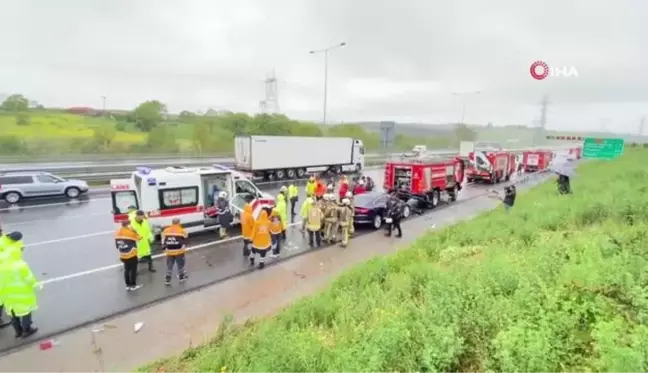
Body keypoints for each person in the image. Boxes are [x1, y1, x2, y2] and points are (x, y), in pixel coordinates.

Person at [0, 232, 40, 338]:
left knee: (12, 314)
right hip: (22, 294)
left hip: (8, 296)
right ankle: (27, 330)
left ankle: (18, 332)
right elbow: (29, 278)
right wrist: (37, 285)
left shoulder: (2, 266)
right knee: (25, 312)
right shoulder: (21, 265)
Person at [115, 221, 142, 291]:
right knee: (133, 270)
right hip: (131, 254)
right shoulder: (130, 233)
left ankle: (127, 285)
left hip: (122, 255)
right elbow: (140, 238)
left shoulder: (117, 232)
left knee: (126, 270)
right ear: (127, 225)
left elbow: (117, 245)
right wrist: (134, 231)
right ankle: (133, 285)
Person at [162, 218, 188, 285]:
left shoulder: (166, 230)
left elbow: (163, 240)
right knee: (180, 265)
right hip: (179, 251)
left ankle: (167, 280)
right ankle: (181, 278)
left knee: (169, 266)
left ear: (172, 223)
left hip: (169, 252)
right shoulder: (182, 231)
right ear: (179, 223)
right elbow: (186, 239)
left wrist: (165, 248)